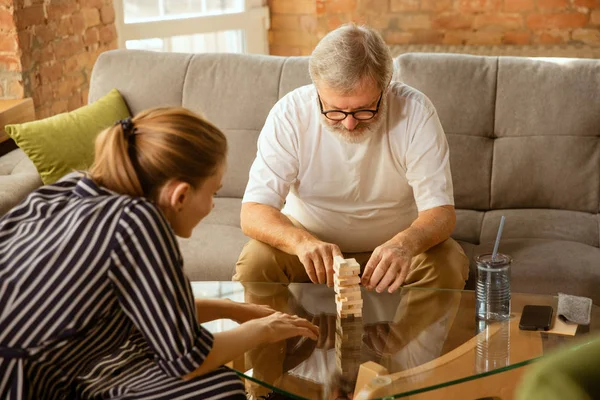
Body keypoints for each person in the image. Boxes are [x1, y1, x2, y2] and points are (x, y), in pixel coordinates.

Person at [0, 107, 318, 400]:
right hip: (25, 386)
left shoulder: (68, 189)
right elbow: (188, 360)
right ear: (180, 195)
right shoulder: (138, 221)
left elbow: (146, 312)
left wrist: (231, 309)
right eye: (213, 193)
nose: (212, 205)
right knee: (218, 386)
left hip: (44, 363)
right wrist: (263, 330)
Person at [234, 24, 469, 293]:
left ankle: (402, 337)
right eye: (334, 111)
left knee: (448, 265)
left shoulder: (416, 113)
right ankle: (281, 335)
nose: (348, 124)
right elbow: (253, 211)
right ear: (317, 89)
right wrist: (301, 242)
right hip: (310, 243)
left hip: (396, 244)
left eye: (364, 110)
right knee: (255, 263)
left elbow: (441, 212)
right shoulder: (289, 114)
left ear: (386, 87)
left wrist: (405, 244)